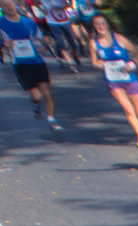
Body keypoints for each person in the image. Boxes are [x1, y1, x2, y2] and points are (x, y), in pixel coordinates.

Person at [88, 13, 138, 148]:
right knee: (128, 109)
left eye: (103, 23)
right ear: (94, 27)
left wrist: (132, 64)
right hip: (113, 81)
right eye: (97, 24)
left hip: (129, 78)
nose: (100, 26)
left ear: (108, 24)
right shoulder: (94, 43)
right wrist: (100, 64)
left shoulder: (120, 39)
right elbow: (94, 63)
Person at [0, 0, 60, 131]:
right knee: (37, 95)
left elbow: (40, 38)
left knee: (46, 92)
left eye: (10, 4)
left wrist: (47, 41)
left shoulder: (28, 22)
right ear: (1, 8)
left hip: (38, 61)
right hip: (21, 64)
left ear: (15, 5)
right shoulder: (1, 24)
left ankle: (52, 119)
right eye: (4, 6)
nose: (9, 7)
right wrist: (5, 45)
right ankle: (36, 103)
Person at [39, 0, 79, 71]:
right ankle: (71, 64)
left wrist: (64, 7)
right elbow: (34, 2)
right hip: (52, 23)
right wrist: (41, 9)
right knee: (61, 43)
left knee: (72, 42)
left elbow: (70, 4)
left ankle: (74, 55)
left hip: (65, 21)